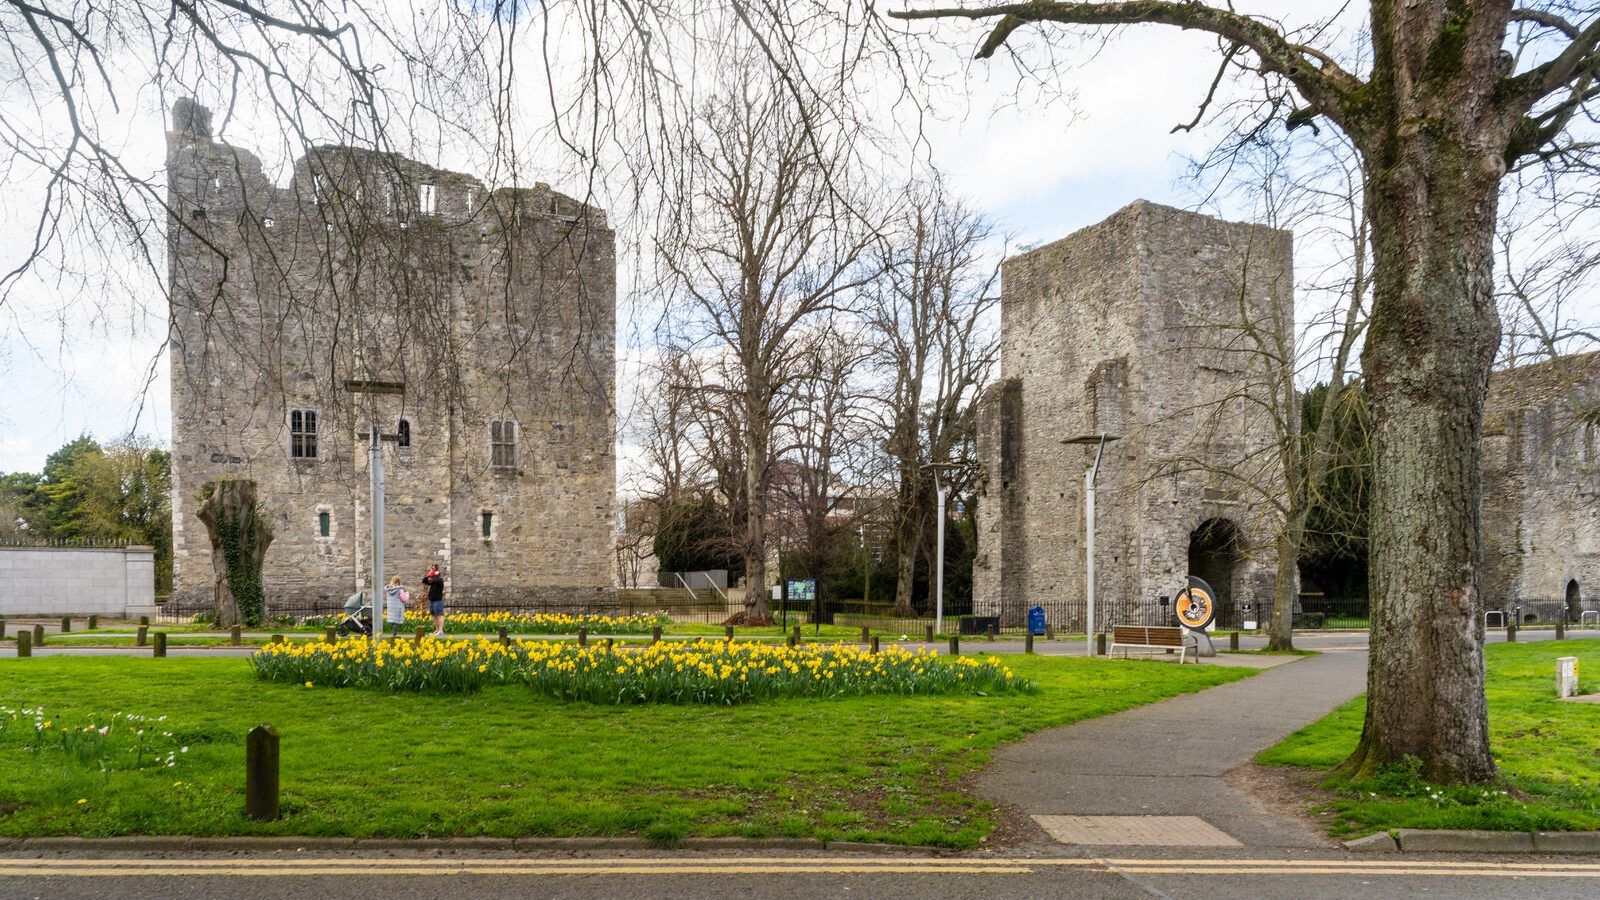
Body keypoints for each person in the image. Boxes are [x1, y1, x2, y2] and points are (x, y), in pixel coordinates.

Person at [422, 562, 445, 638]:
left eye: (434, 568)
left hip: (437, 600)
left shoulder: (439, 580)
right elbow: (424, 581)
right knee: (434, 616)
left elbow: (437, 580)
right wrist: (428, 575)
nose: (433, 570)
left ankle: (441, 631)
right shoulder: (432, 581)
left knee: (439, 616)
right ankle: (437, 629)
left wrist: (436, 574)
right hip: (432, 600)